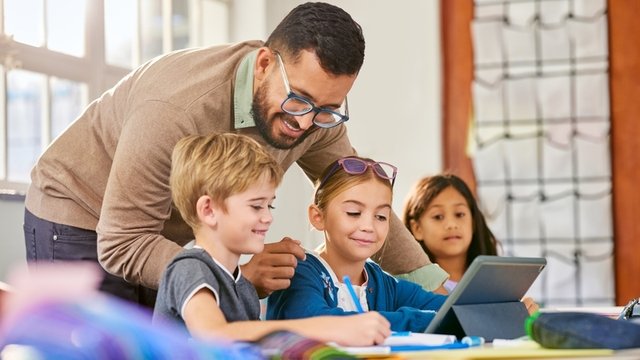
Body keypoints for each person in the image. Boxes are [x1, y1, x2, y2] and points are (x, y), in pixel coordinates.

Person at [23, 2, 447, 307]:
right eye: (298, 100)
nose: (305, 123)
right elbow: (123, 242)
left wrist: (445, 290)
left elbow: (363, 197)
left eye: (327, 108)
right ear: (264, 63)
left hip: (164, 234)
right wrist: (238, 275)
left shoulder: (316, 119)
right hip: (82, 216)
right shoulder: (176, 107)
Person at [152, 133, 390, 346]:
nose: (268, 217)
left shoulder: (242, 286)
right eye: (256, 206)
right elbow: (215, 334)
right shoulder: (189, 268)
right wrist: (326, 327)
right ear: (208, 210)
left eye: (270, 205)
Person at [266, 156, 447, 332]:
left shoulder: (383, 283)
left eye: (381, 217)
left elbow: (451, 308)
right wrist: (415, 319)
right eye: (353, 213)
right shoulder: (297, 272)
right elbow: (318, 323)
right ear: (318, 216)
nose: (368, 227)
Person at [402, 174, 499, 293]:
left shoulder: (497, 284)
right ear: (417, 228)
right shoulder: (410, 289)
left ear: (473, 222)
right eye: (438, 216)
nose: (451, 224)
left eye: (459, 214)